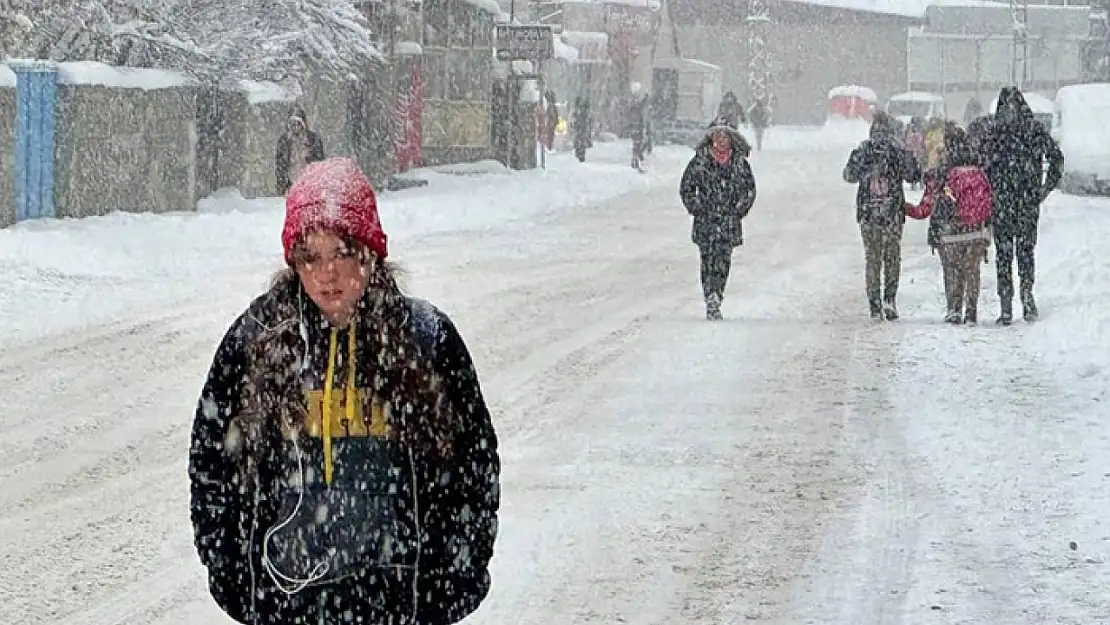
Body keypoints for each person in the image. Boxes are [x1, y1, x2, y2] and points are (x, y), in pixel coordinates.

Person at [188, 157, 501, 625]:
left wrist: (456, 573)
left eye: (341, 252)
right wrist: (233, 575)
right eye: (309, 257)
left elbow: (473, 464)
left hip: (398, 603)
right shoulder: (257, 341)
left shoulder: (425, 339)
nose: (327, 274)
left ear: (370, 250)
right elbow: (212, 460)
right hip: (288, 604)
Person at [981, 86, 1064, 324]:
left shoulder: (995, 133)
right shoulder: (1033, 129)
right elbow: (1056, 158)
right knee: (1025, 252)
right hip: (1026, 201)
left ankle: (1007, 305)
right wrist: (1044, 189)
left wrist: (990, 192)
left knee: (1005, 255)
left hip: (1003, 202)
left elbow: (983, 166)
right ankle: (1026, 297)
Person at [905, 126, 993, 324]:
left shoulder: (940, 174)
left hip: (950, 231)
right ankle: (971, 310)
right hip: (976, 229)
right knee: (972, 270)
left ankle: (954, 308)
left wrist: (904, 208)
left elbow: (924, 209)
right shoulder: (980, 170)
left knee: (952, 269)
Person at [843, 111, 923, 320]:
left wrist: (865, 169)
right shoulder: (896, 149)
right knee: (892, 257)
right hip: (892, 212)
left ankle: (874, 303)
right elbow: (914, 173)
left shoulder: (863, 149)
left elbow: (848, 175)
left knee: (872, 259)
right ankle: (890, 298)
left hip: (868, 213)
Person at [679, 117, 757, 320]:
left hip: (728, 221)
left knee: (723, 260)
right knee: (707, 260)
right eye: (717, 136)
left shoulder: (739, 163)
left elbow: (749, 190)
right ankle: (710, 296)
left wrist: (739, 209)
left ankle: (718, 293)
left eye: (725, 136)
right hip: (706, 220)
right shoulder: (700, 161)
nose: (721, 140)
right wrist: (696, 207)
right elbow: (686, 187)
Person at [275, 106, 326, 196]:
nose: (296, 127)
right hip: (291, 184)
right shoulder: (284, 141)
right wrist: (282, 186)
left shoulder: (313, 139)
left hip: (310, 184)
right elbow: (280, 166)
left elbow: (320, 163)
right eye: (293, 124)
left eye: (298, 124)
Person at [571, 95, 593, 162]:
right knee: (580, 142)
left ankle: (580, 155)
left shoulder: (579, 111)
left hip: (581, 130)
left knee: (580, 143)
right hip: (581, 130)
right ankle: (580, 155)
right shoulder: (579, 111)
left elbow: (574, 120)